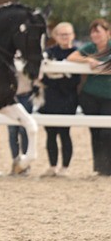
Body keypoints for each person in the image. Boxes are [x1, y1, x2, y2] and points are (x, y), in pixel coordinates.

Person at [68, 18, 111, 176]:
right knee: (95, 131)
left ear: (108, 33)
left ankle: (108, 167)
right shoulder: (90, 47)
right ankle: (99, 167)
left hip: (109, 96)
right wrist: (87, 59)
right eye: (92, 31)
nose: (94, 34)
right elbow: (71, 57)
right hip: (90, 95)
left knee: (107, 131)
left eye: (98, 31)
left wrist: (100, 65)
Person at [40, 22, 80, 176]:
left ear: (73, 35)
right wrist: (62, 75)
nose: (65, 37)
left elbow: (75, 80)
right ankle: (52, 165)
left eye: (67, 34)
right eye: (61, 34)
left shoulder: (77, 53)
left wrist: (57, 76)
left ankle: (65, 167)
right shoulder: (48, 52)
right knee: (50, 133)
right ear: (55, 36)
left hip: (68, 99)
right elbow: (44, 77)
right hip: (49, 98)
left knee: (65, 133)